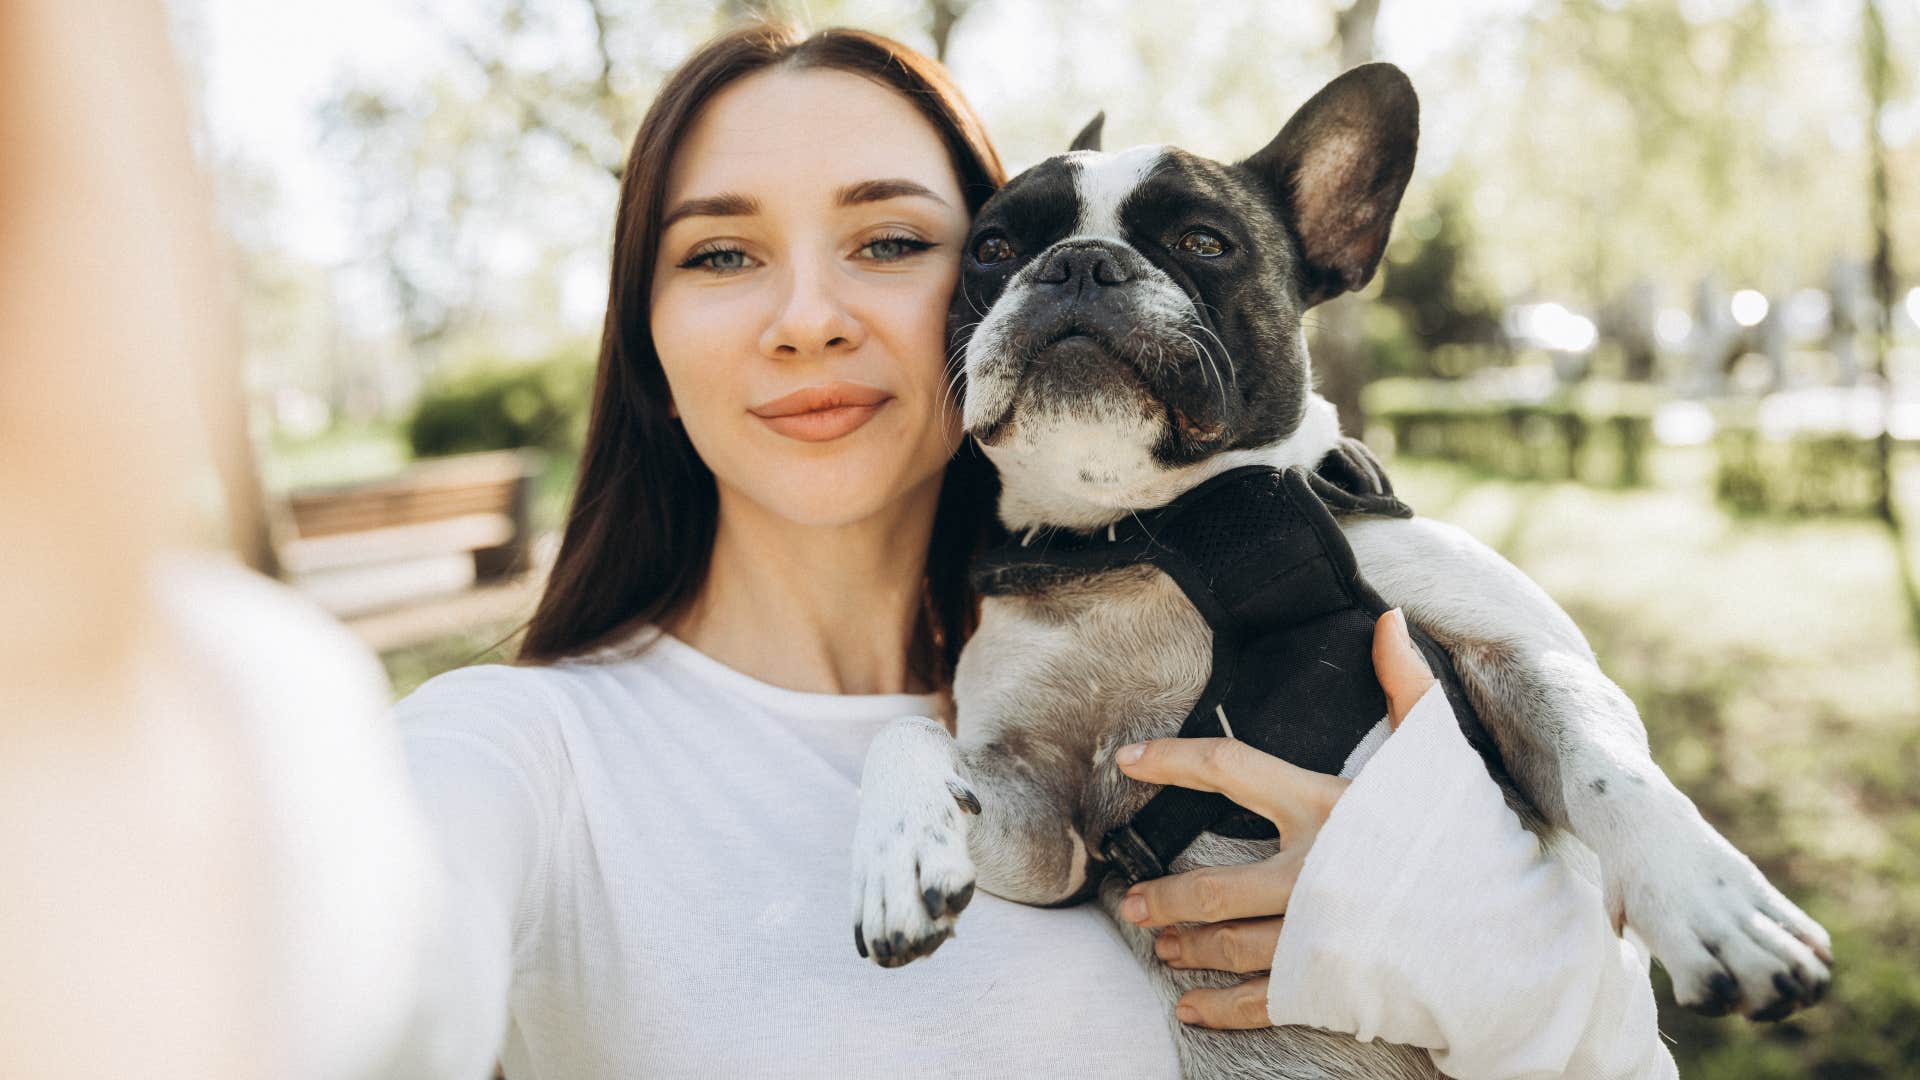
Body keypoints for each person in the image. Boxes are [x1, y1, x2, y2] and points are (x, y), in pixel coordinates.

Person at [391, 22, 1677, 1079]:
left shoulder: (1295, 637)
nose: (806, 318)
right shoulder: (514, 756)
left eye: (891, 242)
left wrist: (1498, 946)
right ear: (650, 342)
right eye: (721, 253)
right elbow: (326, 979)